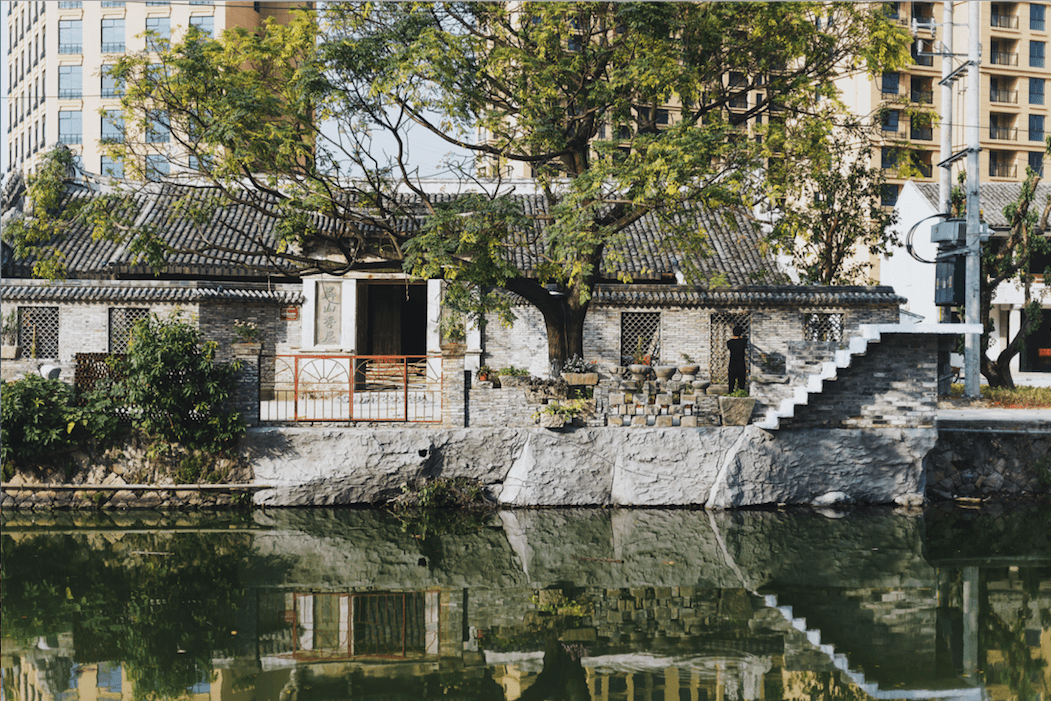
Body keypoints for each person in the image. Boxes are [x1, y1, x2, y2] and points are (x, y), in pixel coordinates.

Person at [727, 325, 747, 393]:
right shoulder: (743, 341)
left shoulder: (729, 342)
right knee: (741, 383)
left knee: (731, 383)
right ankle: (741, 394)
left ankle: (730, 394)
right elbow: (745, 341)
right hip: (741, 364)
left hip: (732, 364)